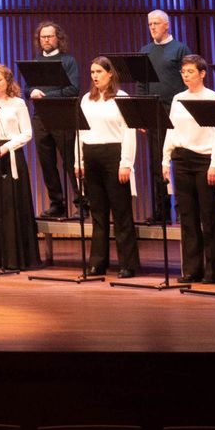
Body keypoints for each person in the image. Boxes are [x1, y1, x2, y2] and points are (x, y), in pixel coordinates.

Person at [162, 55, 215, 284]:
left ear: (202, 73)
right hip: (182, 159)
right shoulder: (178, 99)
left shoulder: (213, 97)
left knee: (209, 217)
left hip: (205, 160)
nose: (186, 75)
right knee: (188, 218)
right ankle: (192, 269)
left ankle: (213, 271)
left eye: (190, 71)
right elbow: (172, 130)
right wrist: (164, 160)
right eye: (183, 72)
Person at [76, 57, 140, 279]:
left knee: (121, 213)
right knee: (98, 213)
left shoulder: (121, 98)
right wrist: (78, 161)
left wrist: (126, 163)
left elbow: (129, 132)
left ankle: (128, 264)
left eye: (99, 72)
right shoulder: (87, 99)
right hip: (91, 155)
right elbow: (81, 132)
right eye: (92, 72)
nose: (94, 76)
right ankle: (97, 263)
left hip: (114, 156)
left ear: (110, 74)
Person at [0, 64, 40, 271]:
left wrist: (7, 147)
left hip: (10, 154)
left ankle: (16, 258)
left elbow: (26, 133)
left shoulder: (18, 103)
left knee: (12, 205)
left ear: (7, 81)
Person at [23, 20, 81, 219]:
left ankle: (82, 204)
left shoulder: (68, 61)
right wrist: (33, 91)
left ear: (58, 38)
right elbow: (26, 89)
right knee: (46, 162)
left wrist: (48, 96)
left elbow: (73, 89)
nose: (46, 40)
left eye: (49, 36)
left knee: (70, 161)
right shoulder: (36, 61)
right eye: (43, 37)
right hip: (40, 117)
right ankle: (57, 204)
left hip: (62, 116)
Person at [139, 9, 191, 223]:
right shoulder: (146, 50)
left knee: (179, 160)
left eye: (156, 23)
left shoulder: (179, 49)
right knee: (156, 162)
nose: (152, 27)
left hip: (177, 111)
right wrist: (142, 114)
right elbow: (141, 83)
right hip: (154, 112)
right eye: (150, 24)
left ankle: (183, 210)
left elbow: (189, 78)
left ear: (167, 25)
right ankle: (161, 212)